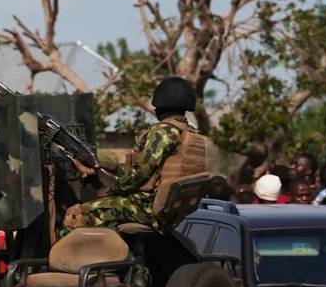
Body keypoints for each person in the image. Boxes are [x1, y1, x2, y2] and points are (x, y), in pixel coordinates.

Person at [65, 76, 214, 229]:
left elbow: (141, 173)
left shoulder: (164, 131)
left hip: (146, 206)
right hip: (169, 209)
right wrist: (110, 168)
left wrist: (112, 188)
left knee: (77, 215)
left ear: (160, 106)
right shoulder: (191, 134)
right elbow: (154, 171)